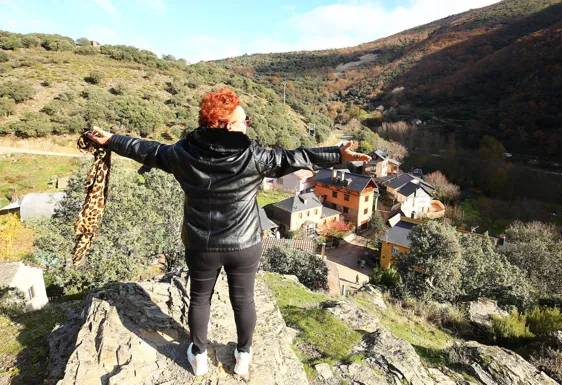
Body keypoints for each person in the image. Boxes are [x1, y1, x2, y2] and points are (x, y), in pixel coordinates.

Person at [86, 87, 371, 377]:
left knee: (199, 299)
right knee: (244, 300)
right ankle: (243, 356)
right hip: (244, 244)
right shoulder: (254, 156)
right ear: (228, 125)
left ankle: (198, 356)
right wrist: (337, 153)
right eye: (244, 120)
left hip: (200, 244)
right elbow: (292, 157)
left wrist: (111, 140)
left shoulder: (181, 154)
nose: (248, 123)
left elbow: (147, 149)